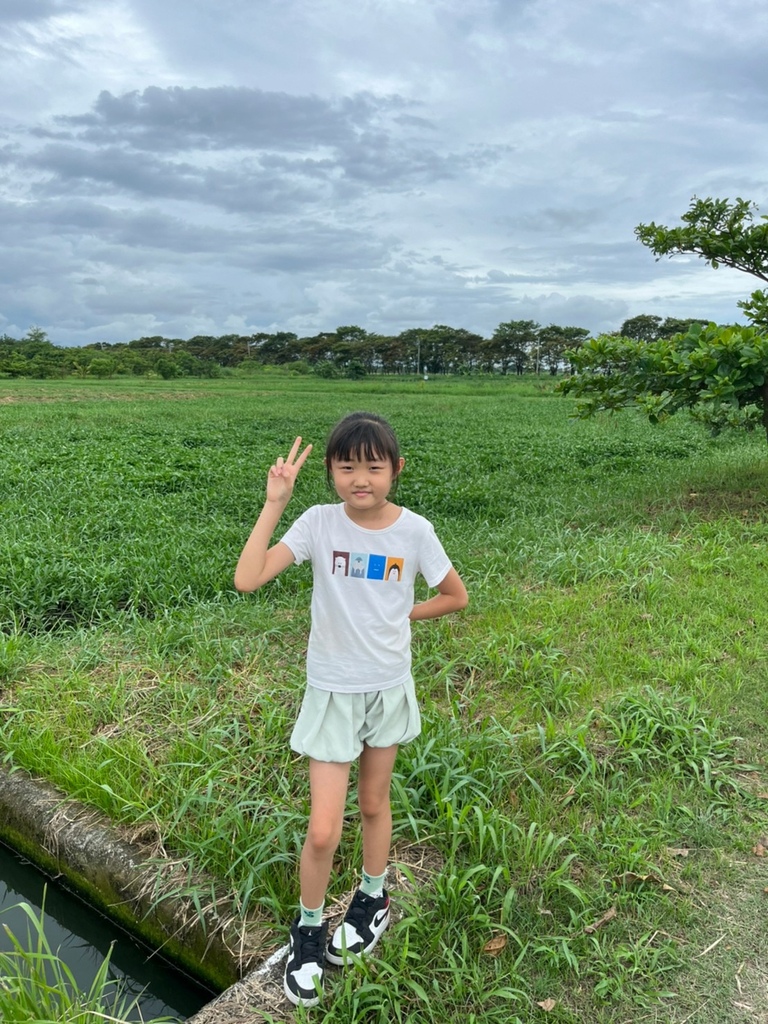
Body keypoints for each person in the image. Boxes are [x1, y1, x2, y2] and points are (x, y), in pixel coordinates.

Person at [234, 411, 468, 1007]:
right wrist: (274, 503)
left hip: (387, 688)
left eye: (373, 466)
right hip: (332, 692)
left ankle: (371, 899)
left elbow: (454, 595)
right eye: (346, 466)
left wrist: (403, 615)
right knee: (321, 829)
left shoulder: (415, 531)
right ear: (332, 473)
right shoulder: (317, 523)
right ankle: (309, 929)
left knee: (374, 804)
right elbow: (248, 578)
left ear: (396, 470)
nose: (359, 478)